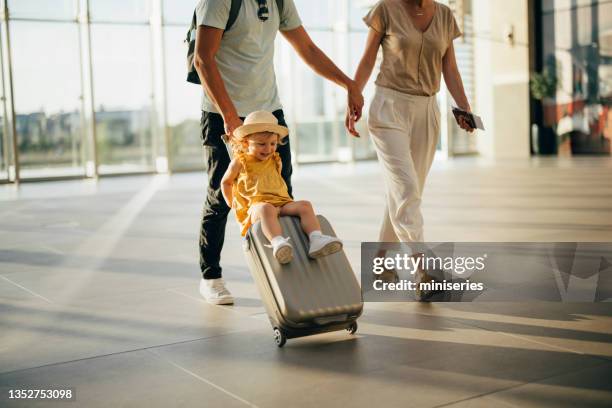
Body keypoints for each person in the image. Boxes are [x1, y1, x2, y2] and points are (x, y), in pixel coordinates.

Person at [195, 0, 363, 304]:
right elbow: (203, 59)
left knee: (282, 193)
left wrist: (348, 84)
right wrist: (231, 117)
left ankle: (289, 269)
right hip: (224, 112)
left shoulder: (279, 1)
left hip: (268, 113)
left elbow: (308, 49)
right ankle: (211, 276)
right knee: (220, 196)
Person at [347, 0, 474, 298]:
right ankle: (424, 269)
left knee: (405, 192)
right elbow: (367, 60)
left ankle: (379, 262)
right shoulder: (385, 10)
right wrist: (353, 96)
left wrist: (464, 107)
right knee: (405, 190)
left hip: (427, 110)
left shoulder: (444, 15)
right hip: (389, 106)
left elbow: (450, 66)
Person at [221, 111, 343, 264]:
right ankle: (278, 242)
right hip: (257, 207)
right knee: (267, 209)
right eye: (261, 144)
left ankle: (316, 238)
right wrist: (230, 202)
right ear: (246, 143)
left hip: (282, 203)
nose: (268, 149)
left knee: (305, 205)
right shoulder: (240, 162)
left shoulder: (275, 159)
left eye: (273, 144)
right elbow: (226, 182)